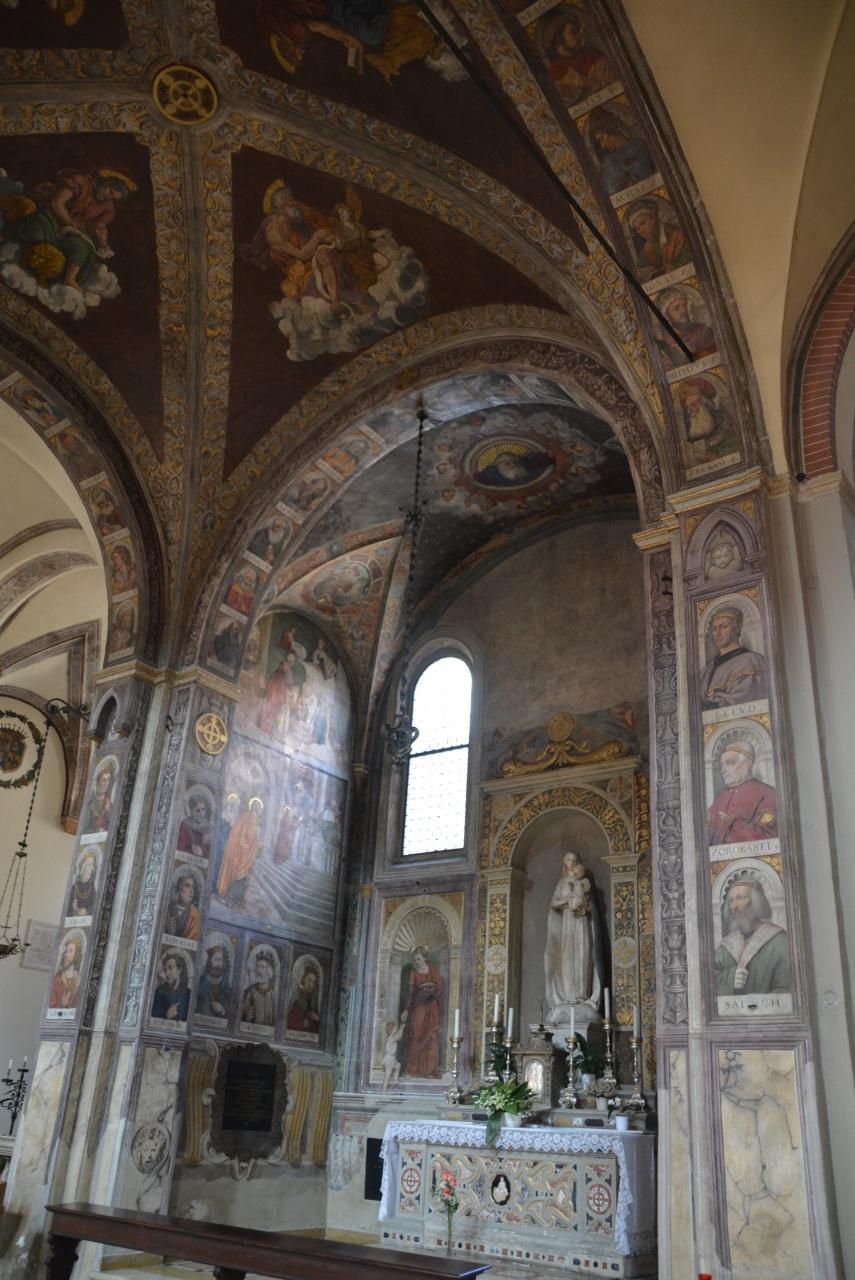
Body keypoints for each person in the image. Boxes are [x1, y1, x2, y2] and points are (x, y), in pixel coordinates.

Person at [544, 850, 602, 1022]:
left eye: (575, 860)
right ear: (565, 863)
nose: (572, 862)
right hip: (567, 922)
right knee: (567, 956)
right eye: (569, 860)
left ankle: (582, 995)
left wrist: (584, 903)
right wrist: (567, 901)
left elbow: (591, 905)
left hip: (582, 921)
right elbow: (554, 903)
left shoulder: (585, 882)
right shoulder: (562, 882)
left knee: (583, 954)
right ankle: (569, 995)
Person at [715, 878, 791, 996]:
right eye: (731, 901)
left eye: (740, 898)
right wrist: (730, 979)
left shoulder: (780, 941)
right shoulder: (726, 946)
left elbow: (786, 990)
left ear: (757, 902)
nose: (734, 907)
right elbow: (707, 978)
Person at [708, 741, 778, 845]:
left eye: (730, 762)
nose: (723, 770)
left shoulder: (768, 794)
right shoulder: (721, 798)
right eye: (722, 765)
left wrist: (730, 822)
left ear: (748, 764)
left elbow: (767, 836)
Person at [701, 605, 767, 709]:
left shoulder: (752, 661)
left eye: (724, 626)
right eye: (714, 629)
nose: (717, 633)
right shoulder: (706, 670)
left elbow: (745, 696)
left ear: (737, 628)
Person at [588, 104, 656, 195]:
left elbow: (610, 189)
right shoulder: (640, 144)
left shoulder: (610, 160)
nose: (602, 146)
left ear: (608, 133)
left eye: (601, 139)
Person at [400, 946, 444, 1077]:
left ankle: (429, 1070)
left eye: (418, 959)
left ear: (424, 958)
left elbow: (440, 987)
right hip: (418, 1006)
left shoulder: (433, 969)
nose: (416, 962)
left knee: (431, 1037)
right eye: (415, 960)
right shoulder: (413, 973)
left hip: (432, 1006)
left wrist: (432, 992)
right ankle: (412, 1069)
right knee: (416, 1034)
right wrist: (406, 1010)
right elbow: (410, 994)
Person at [624, 198, 689, 282]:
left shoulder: (677, 236)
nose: (641, 231)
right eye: (638, 229)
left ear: (653, 217)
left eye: (643, 223)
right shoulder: (646, 251)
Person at [215, 796, 263, 904]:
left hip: (237, 849)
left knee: (236, 875)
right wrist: (257, 844)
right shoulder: (251, 819)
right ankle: (229, 897)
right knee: (238, 874)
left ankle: (230, 897)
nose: (262, 810)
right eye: (260, 807)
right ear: (256, 808)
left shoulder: (247, 816)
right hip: (240, 852)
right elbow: (246, 838)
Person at [655, 286, 716, 368]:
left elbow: (717, 350)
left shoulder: (703, 331)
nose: (683, 310)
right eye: (676, 308)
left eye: (683, 305)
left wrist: (695, 354)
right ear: (666, 316)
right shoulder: (664, 343)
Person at [241, 949, 277, 1028]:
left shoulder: (273, 995)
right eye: (257, 966)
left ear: (269, 970)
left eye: (262, 967)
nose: (259, 970)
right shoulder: (249, 992)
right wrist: (246, 1017)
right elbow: (240, 1016)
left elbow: (275, 1021)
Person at [151, 952, 190, 1022]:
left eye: (170, 968)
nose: (167, 974)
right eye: (165, 970)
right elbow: (152, 1016)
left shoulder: (189, 994)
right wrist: (166, 1015)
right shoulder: (158, 992)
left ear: (179, 970)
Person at [196, 944, 231, 1019]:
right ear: (209, 962)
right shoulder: (201, 981)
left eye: (221, 959)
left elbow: (230, 1010)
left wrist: (222, 1010)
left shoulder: (226, 984)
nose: (219, 963)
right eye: (216, 959)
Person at [49, 935, 83, 1009]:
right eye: (66, 951)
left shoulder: (80, 979)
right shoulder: (57, 978)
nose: (66, 955)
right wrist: (62, 1005)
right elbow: (51, 1005)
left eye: (70, 951)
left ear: (76, 954)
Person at [286, 964, 321, 1035]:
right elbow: (290, 1022)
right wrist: (302, 1024)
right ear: (303, 979)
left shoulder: (313, 1001)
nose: (311, 984)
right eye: (309, 980)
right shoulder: (297, 997)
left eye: (313, 982)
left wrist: (317, 1019)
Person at [165, 873, 201, 942]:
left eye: (193, 887)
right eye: (187, 886)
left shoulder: (195, 914)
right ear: (179, 888)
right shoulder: (168, 907)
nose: (191, 891)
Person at [177, 793, 213, 860]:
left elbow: (212, 850)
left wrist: (203, 851)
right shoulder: (185, 826)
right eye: (197, 810)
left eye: (203, 809)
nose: (201, 814)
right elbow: (179, 848)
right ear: (191, 811)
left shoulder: (208, 827)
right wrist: (192, 850)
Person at [84, 760, 114, 832]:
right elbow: (84, 827)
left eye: (108, 780)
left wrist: (107, 809)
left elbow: (113, 827)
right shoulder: (90, 804)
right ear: (97, 782)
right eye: (104, 780)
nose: (106, 783)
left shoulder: (110, 804)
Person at [69, 850, 97, 918]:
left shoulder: (91, 886)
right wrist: (73, 908)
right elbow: (67, 912)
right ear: (83, 867)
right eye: (90, 864)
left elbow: (95, 905)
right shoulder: (74, 887)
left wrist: (87, 911)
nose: (92, 868)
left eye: (92, 865)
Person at [382, 1019, 405, 1089]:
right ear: (391, 1030)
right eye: (394, 1028)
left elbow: (398, 1036)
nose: (395, 1030)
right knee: (387, 1075)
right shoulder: (391, 1038)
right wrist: (401, 1028)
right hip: (390, 1058)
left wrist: (401, 1028)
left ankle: (395, 1081)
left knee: (398, 1066)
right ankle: (384, 1089)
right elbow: (399, 1037)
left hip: (392, 1058)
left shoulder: (391, 1037)